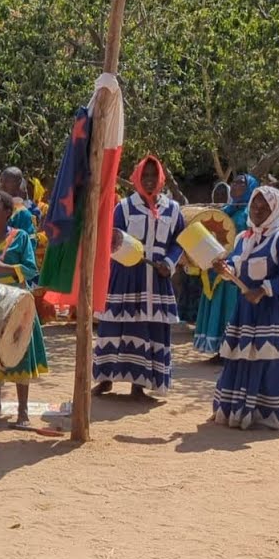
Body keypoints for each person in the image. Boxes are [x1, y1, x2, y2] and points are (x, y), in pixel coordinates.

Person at [211, 186, 279, 430]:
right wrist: (226, 271)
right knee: (243, 356)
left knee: (270, 358)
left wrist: (264, 289)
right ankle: (240, 408)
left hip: (274, 312)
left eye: (264, 206)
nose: (257, 210)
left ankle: (270, 411)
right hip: (246, 311)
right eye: (254, 205)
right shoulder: (243, 238)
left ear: (275, 209)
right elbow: (237, 267)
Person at [93, 155, 186, 399]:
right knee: (114, 326)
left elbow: (180, 242)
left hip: (157, 280)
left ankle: (140, 384)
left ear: (161, 179)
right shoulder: (124, 207)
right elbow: (110, 239)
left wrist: (169, 263)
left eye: (154, 176)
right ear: (136, 178)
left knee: (148, 327)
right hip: (125, 278)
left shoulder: (173, 209)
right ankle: (105, 379)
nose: (149, 180)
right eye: (144, 176)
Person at [0, 190, 48, 425]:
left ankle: (23, 412)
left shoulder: (21, 238)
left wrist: (6, 269)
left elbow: (31, 269)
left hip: (18, 306)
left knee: (19, 354)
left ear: (7, 212)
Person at [194, 176, 254, 358]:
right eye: (234, 182)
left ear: (251, 188)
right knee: (218, 307)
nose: (235, 185)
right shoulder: (226, 211)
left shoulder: (251, 214)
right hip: (218, 266)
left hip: (236, 270)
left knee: (230, 308)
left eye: (241, 183)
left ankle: (232, 351)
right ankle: (220, 350)